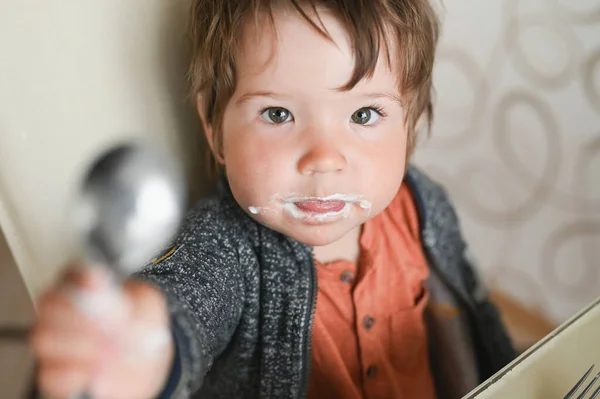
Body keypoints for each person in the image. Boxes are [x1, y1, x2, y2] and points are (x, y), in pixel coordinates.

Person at [30, 1, 516, 398]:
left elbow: (476, 317)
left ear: (411, 122)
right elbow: (182, 305)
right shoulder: (224, 247)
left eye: (365, 114)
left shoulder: (422, 205)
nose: (324, 159)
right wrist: (144, 344)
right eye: (279, 113)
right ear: (214, 128)